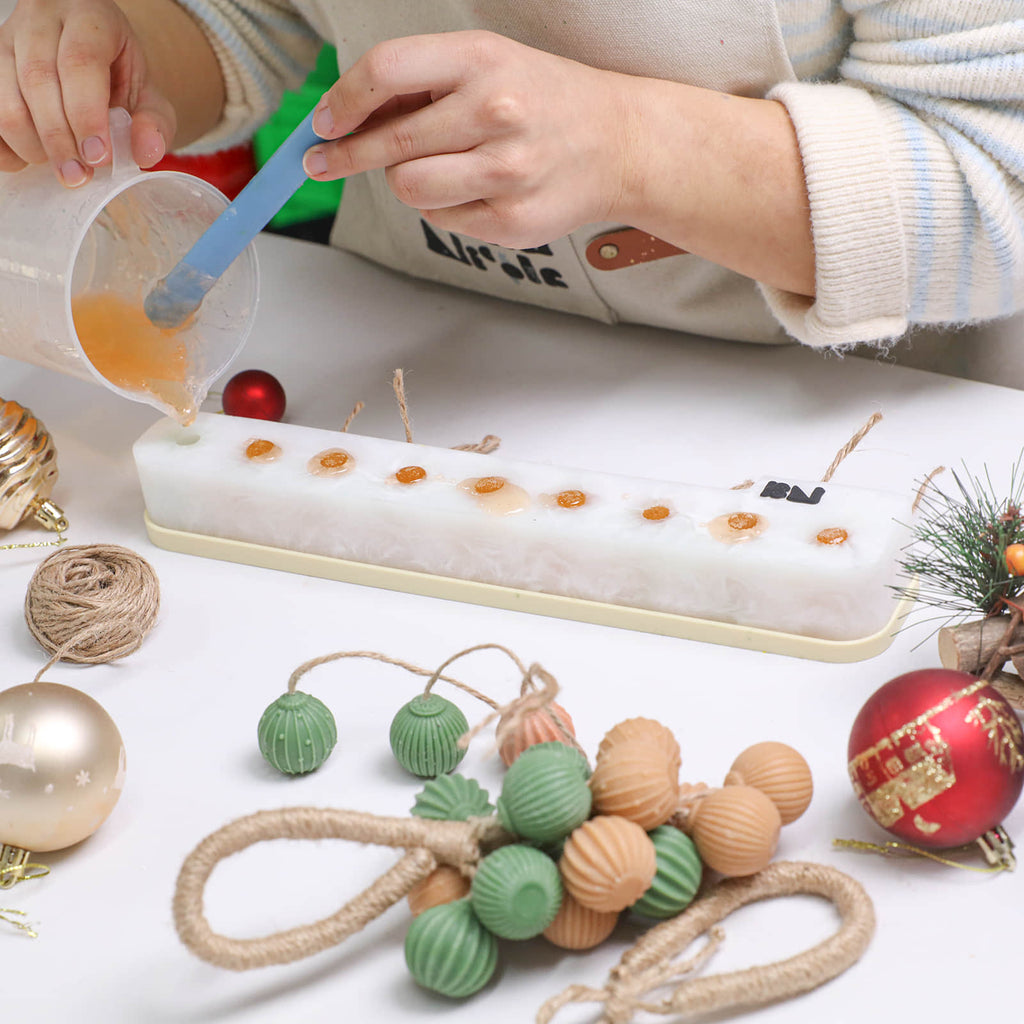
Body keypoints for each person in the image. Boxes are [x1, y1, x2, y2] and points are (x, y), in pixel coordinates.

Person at [0, 1, 1021, 350]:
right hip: (405, 381)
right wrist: (126, 49)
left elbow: (998, 188)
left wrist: (634, 145)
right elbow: (263, 13)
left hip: (820, 447)